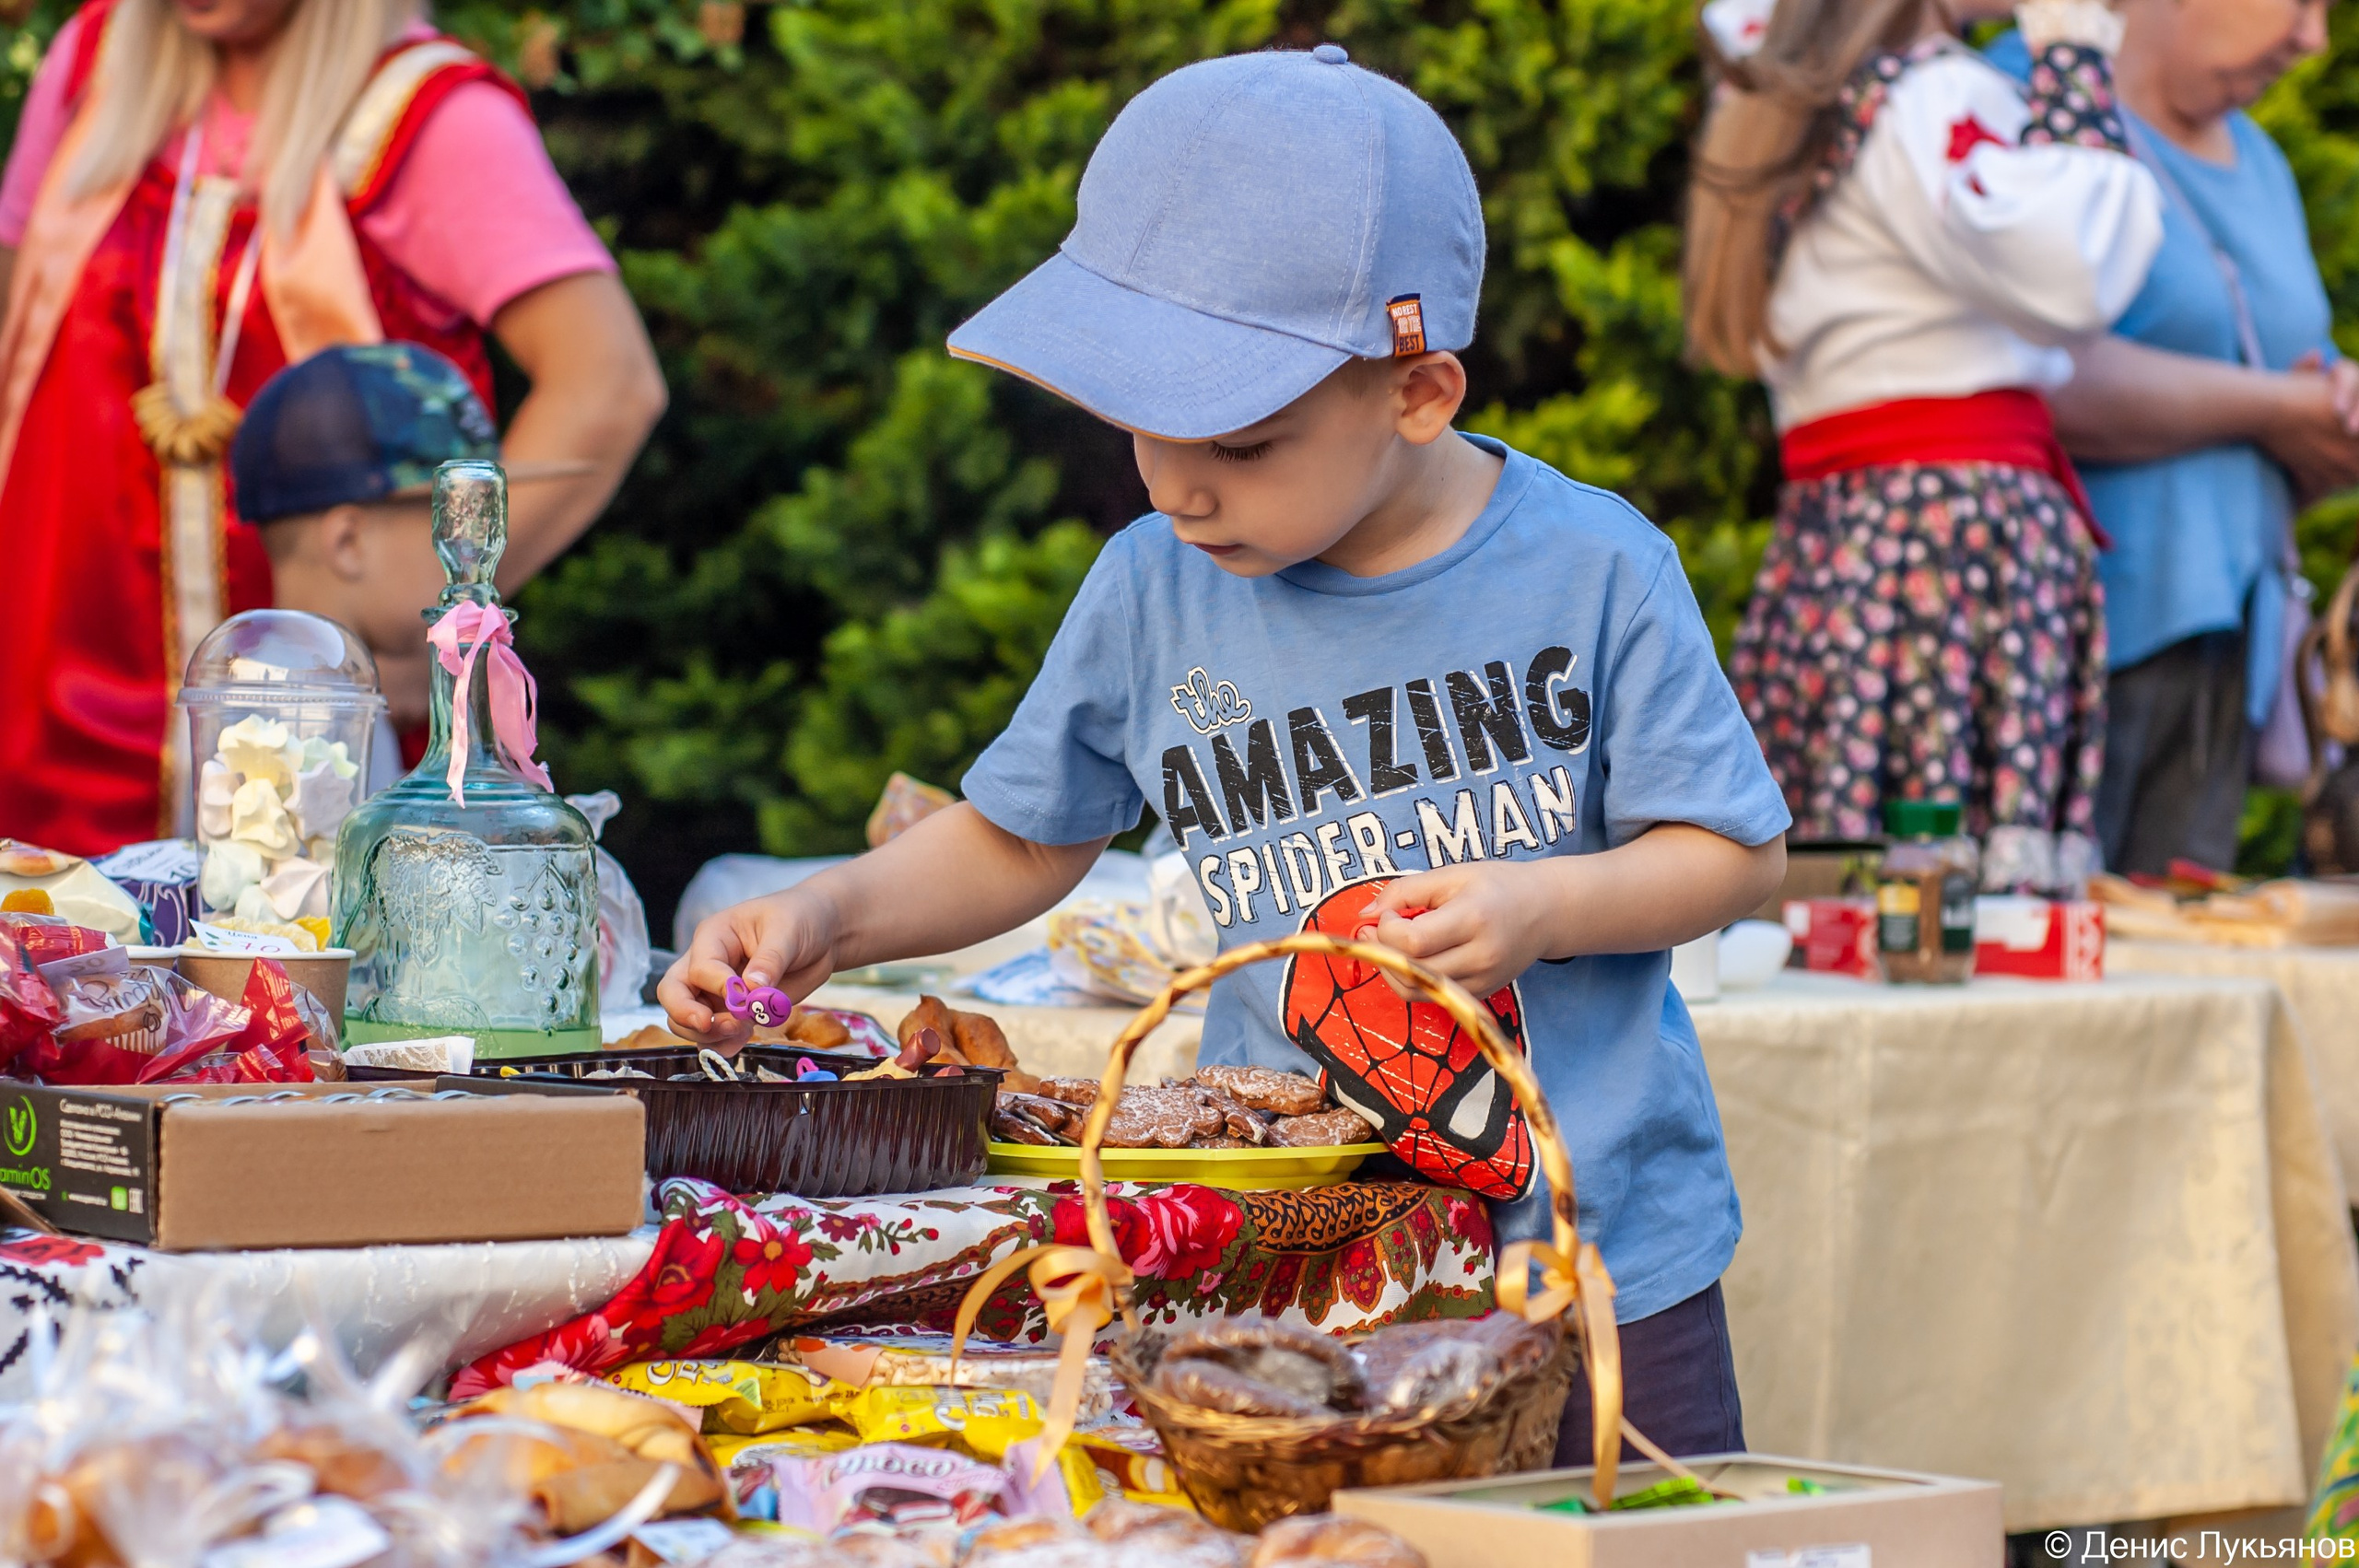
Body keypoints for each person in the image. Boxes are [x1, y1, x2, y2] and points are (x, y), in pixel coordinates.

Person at [661, 47, 1791, 1460]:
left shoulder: (1599, 567)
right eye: (1145, 426)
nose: (1181, 485)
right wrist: (829, 906)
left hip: (1598, 1255)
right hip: (1294, 1264)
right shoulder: (1155, 586)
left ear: (1419, 390)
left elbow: (1737, 852)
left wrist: (1545, 906)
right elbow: (1024, 836)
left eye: (1247, 442)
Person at [0, 0, 665, 855]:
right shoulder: (94, 62)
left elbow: (605, 386)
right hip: (44, 721)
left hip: (301, 771)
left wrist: (428, 630)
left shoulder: (431, 120)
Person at [1688, 0, 2163, 887]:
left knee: (1855, 874)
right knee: (1951, 886)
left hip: (1847, 533)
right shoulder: (1937, 95)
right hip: (1955, 535)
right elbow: (2074, 263)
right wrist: (2070, 55)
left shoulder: (1808, 103)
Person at [1986, 0, 2351, 875]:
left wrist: (2329, 409)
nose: (2315, 39)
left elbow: (2292, 366)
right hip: (2067, 643)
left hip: (2230, 653)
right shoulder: (2021, 87)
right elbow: (2027, 368)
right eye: (2301, 2)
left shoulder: (2257, 154)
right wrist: (2275, 410)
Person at [230, 343, 588, 737]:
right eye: (448, 529)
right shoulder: (298, 726)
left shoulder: (330, 701)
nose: (471, 557)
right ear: (349, 543)